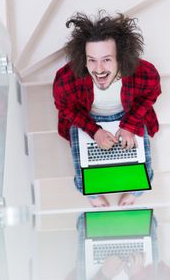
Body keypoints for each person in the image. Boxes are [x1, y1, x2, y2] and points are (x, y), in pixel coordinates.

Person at [53, 11, 161, 207]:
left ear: (121, 57)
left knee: (143, 168)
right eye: (92, 59)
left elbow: (151, 93)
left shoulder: (143, 72)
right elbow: (64, 107)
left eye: (107, 59)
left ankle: (135, 191)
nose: (99, 69)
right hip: (88, 118)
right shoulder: (66, 78)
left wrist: (129, 125)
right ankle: (93, 195)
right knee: (84, 172)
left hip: (128, 114)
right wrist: (94, 132)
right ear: (83, 58)